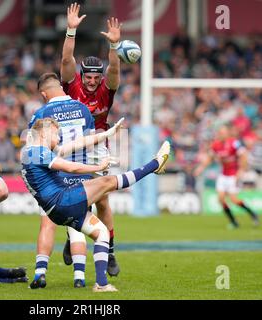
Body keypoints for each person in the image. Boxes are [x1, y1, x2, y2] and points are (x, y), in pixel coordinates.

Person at [21, 117, 170, 292]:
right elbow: (71, 168)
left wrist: (107, 133)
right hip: (63, 201)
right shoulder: (36, 151)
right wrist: (97, 167)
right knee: (107, 182)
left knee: (102, 233)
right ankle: (155, 164)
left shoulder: (31, 153)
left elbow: (77, 144)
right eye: (56, 133)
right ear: (44, 133)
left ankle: (101, 283)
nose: (59, 138)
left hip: (57, 209)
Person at [60, 2, 122, 275]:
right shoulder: (71, 85)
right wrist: (71, 31)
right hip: (72, 149)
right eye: (89, 76)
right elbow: (65, 62)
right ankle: (70, 237)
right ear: (82, 75)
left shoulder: (107, 91)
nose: (93, 81)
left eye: (98, 76)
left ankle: (109, 250)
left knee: (103, 201)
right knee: (71, 199)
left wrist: (113, 47)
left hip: (98, 150)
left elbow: (116, 72)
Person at [28, 72, 101, 289]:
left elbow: (35, 150)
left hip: (53, 177)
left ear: (44, 93)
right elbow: (91, 143)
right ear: (60, 87)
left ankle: (40, 273)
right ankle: (79, 278)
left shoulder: (42, 113)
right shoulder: (83, 109)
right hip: (81, 175)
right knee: (77, 226)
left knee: (47, 224)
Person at [194, 126, 259, 228]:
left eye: (223, 133)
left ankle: (252, 214)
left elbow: (244, 155)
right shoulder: (216, 145)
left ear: (227, 133)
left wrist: (241, 170)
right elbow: (210, 158)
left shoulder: (234, 143)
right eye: (220, 133)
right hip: (223, 175)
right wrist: (201, 168)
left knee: (234, 199)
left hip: (233, 175)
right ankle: (234, 222)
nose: (221, 135)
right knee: (220, 199)